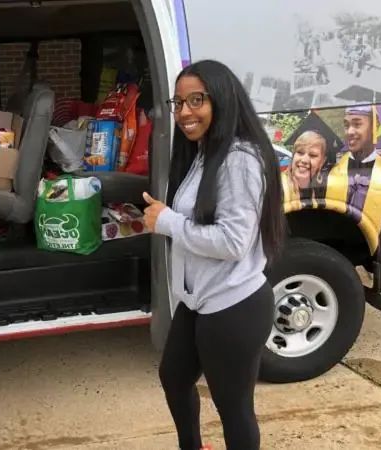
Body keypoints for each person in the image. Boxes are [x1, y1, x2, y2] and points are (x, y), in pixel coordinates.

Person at [141, 59, 285, 450]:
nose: (185, 112)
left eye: (196, 100)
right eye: (179, 102)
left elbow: (234, 242)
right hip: (200, 301)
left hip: (234, 305)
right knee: (174, 376)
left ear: (221, 100)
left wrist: (169, 222)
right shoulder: (203, 153)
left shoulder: (240, 159)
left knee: (234, 409)